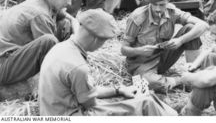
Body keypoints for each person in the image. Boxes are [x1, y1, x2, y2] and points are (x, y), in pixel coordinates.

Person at [39, 9, 178, 116]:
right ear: (95, 39)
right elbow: (90, 104)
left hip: (56, 111)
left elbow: (86, 92)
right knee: (144, 103)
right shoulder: (78, 67)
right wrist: (122, 101)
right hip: (74, 115)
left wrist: (118, 90)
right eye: (104, 41)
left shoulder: (60, 48)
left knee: (138, 100)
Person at [121, 0, 208, 92]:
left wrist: (180, 40)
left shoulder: (172, 12)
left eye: (161, 5)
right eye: (154, 4)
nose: (157, 9)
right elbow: (124, 49)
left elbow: (203, 25)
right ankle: (182, 80)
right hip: (142, 64)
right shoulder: (137, 18)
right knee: (148, 83)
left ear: (168, 1)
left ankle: (193, 74)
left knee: (191, 29)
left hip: (163, 57)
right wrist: (140, 51)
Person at [0, 0, 82, 85]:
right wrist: (76, 42)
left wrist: (74, 20)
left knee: (64, 24)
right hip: (4, 64)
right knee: (49, 40)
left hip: (13, 57)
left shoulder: (43, 1)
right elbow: (52, 50)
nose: (69, 2)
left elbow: (63, 15)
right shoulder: (40, 14)